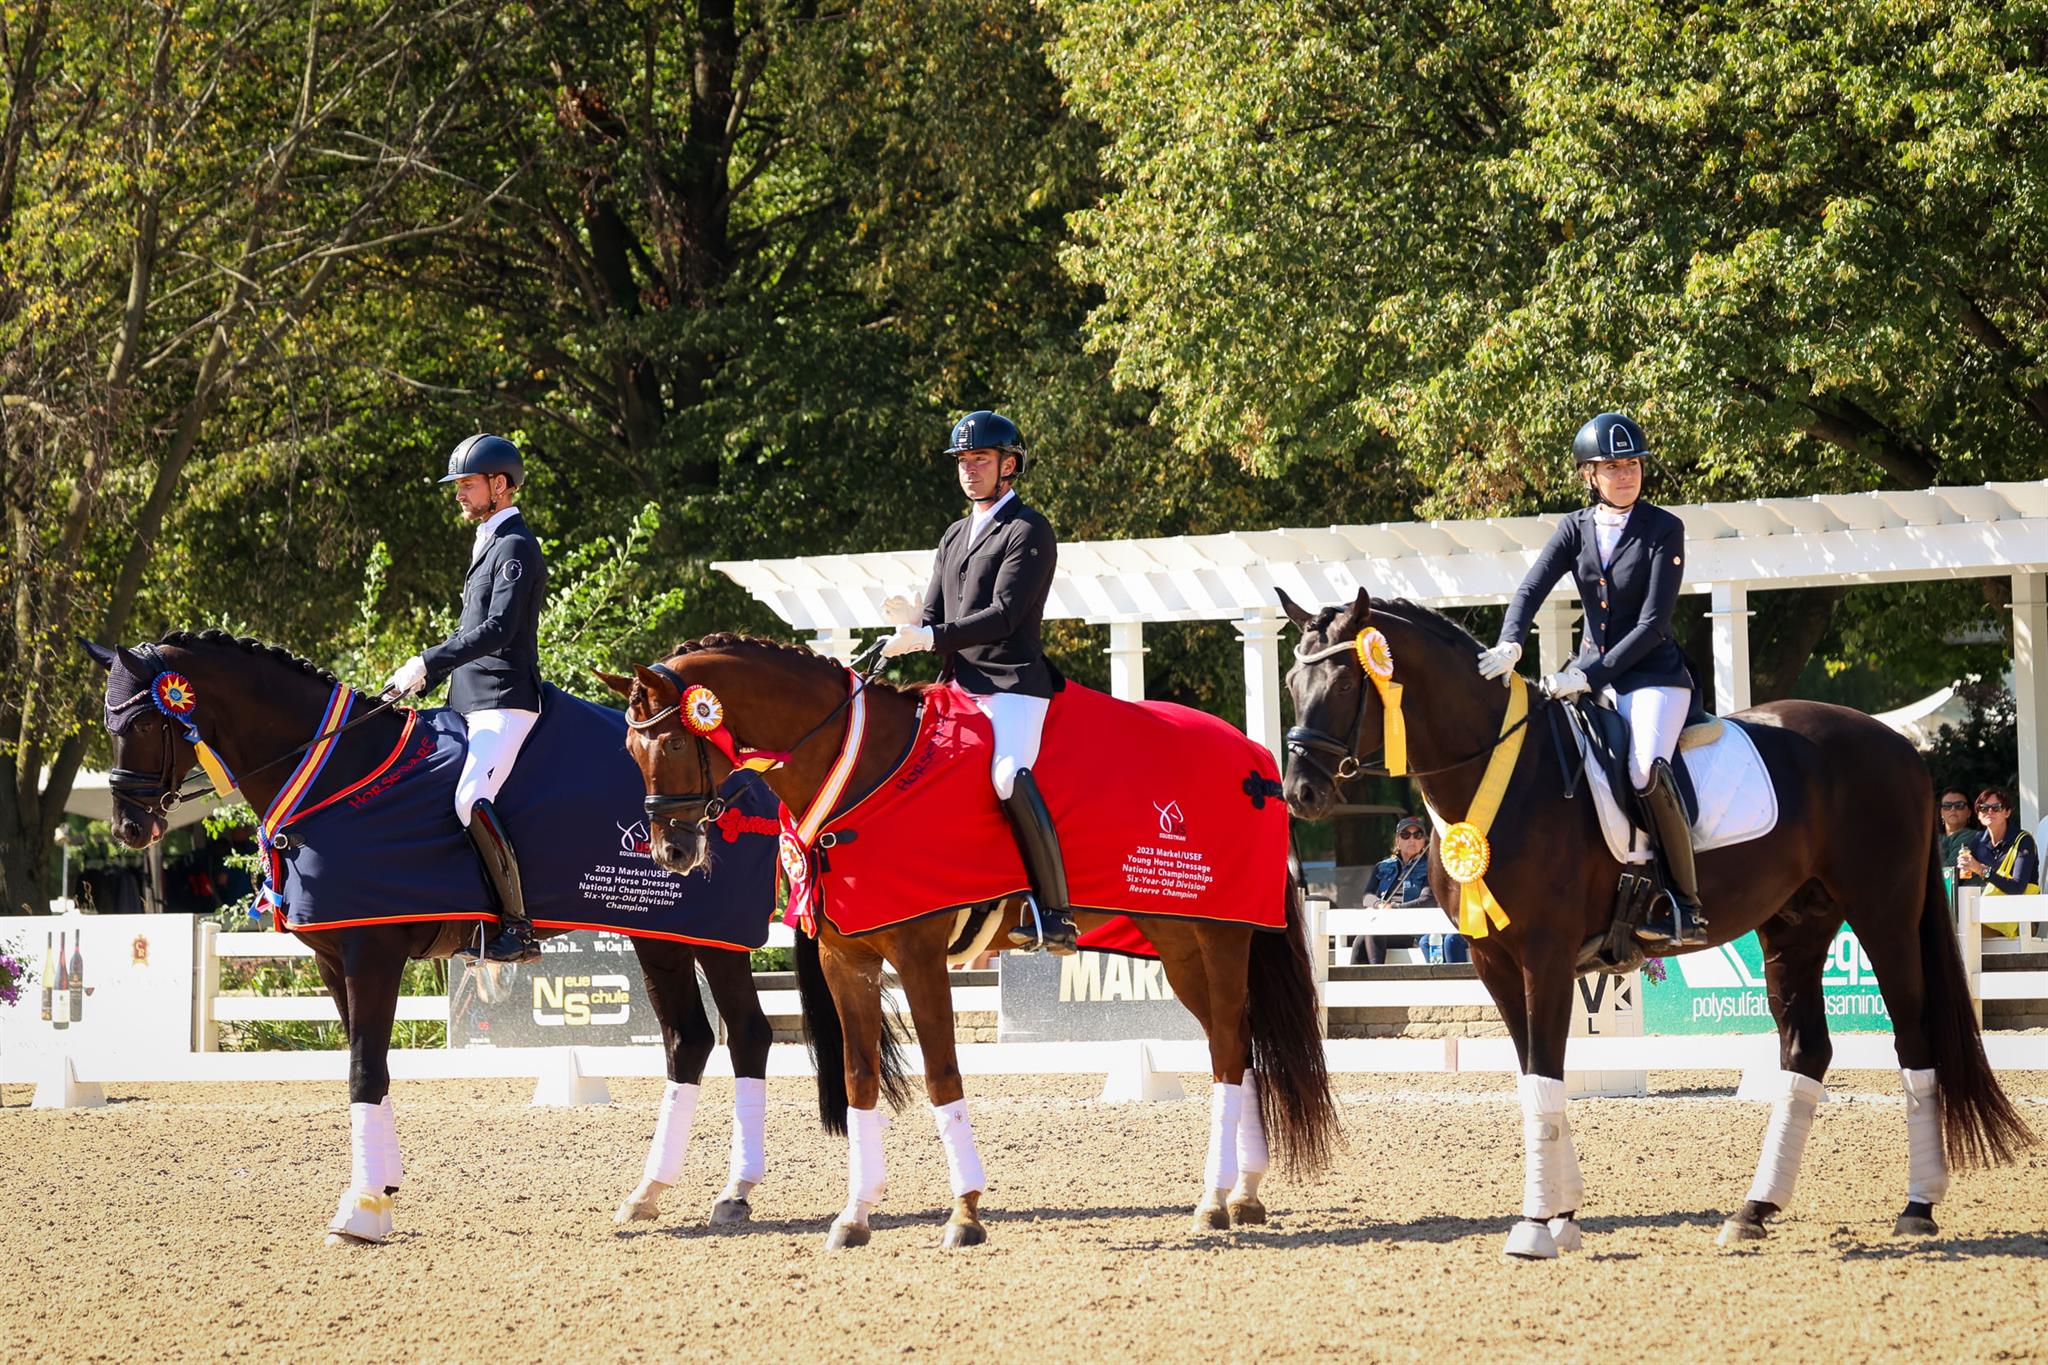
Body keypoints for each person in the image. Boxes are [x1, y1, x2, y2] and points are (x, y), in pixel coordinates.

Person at [1479, 412, 1706, 948]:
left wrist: (1584, 674)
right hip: (1592, 680)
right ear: (1589, 474)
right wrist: (1512, 642)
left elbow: (1653, 625)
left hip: (1653, 680)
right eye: (1612, 466)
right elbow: (1530, 590)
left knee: (1643, 769)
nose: (1626, 474)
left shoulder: (1663, 528)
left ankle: (1683, 902)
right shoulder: (1573, 529)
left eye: (1633, 464)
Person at [881, 410, 1074, 954]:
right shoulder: (954, 533)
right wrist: (911, 625)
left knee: (1009, 775)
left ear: (1008, 465)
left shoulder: (1028, 529)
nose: (969, 470)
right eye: (964, 461)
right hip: (958, 683)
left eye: (980, 460)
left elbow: (1006, 614)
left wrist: (930, 635)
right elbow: (938, 611)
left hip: (1010, 684)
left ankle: (1056, 913)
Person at [382, 434, 547, 964]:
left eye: (467, 484)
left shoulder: (517, 545)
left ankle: (518, 928)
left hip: (503, 700)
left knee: (468, 798)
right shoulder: (489, 543)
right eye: (457, 485)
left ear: (500, 486)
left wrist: (427, 661)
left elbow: (498, 629)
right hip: (467, 699)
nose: (458, 493)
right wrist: (423, 682)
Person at [1349, 816, 1445, 966]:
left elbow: (1427, 900)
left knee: (1372, 931)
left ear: (1424, 841)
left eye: (1417, 835)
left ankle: (1377, 976)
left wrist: (1395, 909)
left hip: (1413, 931)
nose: (1411, 839)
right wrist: (1379, 905)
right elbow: (1367, 896)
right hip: (1384, 926)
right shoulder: (1382, 867)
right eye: (1405, 835)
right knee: (1361, 940)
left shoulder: (1431, 868)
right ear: (1397, 841)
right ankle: (1357, 984)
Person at [1957, 786, 2037, 940]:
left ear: (2007, 812)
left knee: (1963, 935)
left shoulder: (2022, 841)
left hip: (2021, 919)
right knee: (1951, 929)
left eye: (1996, 807)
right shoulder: (1977, 842)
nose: (1990, 812)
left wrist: (1981, 870)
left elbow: (2017, 887)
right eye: (1984, 808)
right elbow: (1961, 881)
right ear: (1978, 814)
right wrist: (1961, 869)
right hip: (1987, 916)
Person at [1937, 788, 1977, 882]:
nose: (1953, 809)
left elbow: (1949, 869)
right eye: (1947, 806)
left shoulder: (1972, 836)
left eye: (1959, 805)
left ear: (1969, 813)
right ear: (1941, 813)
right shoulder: (1935, 838)